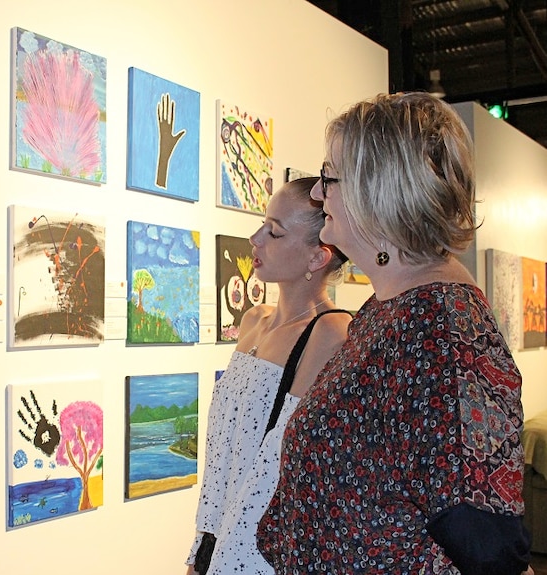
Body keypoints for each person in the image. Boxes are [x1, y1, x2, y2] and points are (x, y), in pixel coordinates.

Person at [257, 92, 533, 574]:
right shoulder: (389, 308)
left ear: (378, 191)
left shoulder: (440, 331)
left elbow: (487, 544)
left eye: (329, 177)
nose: (319, 195)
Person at [185, 177, 351, 575]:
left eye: (274, 232)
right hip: (216, 543)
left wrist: (227, 560)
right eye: (263, 224)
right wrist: (201, 551)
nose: (256, 238)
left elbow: (272, 470)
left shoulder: (330, 333)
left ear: (318, 258)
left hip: (262, 555)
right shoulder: (252, 321)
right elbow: (221, 459)